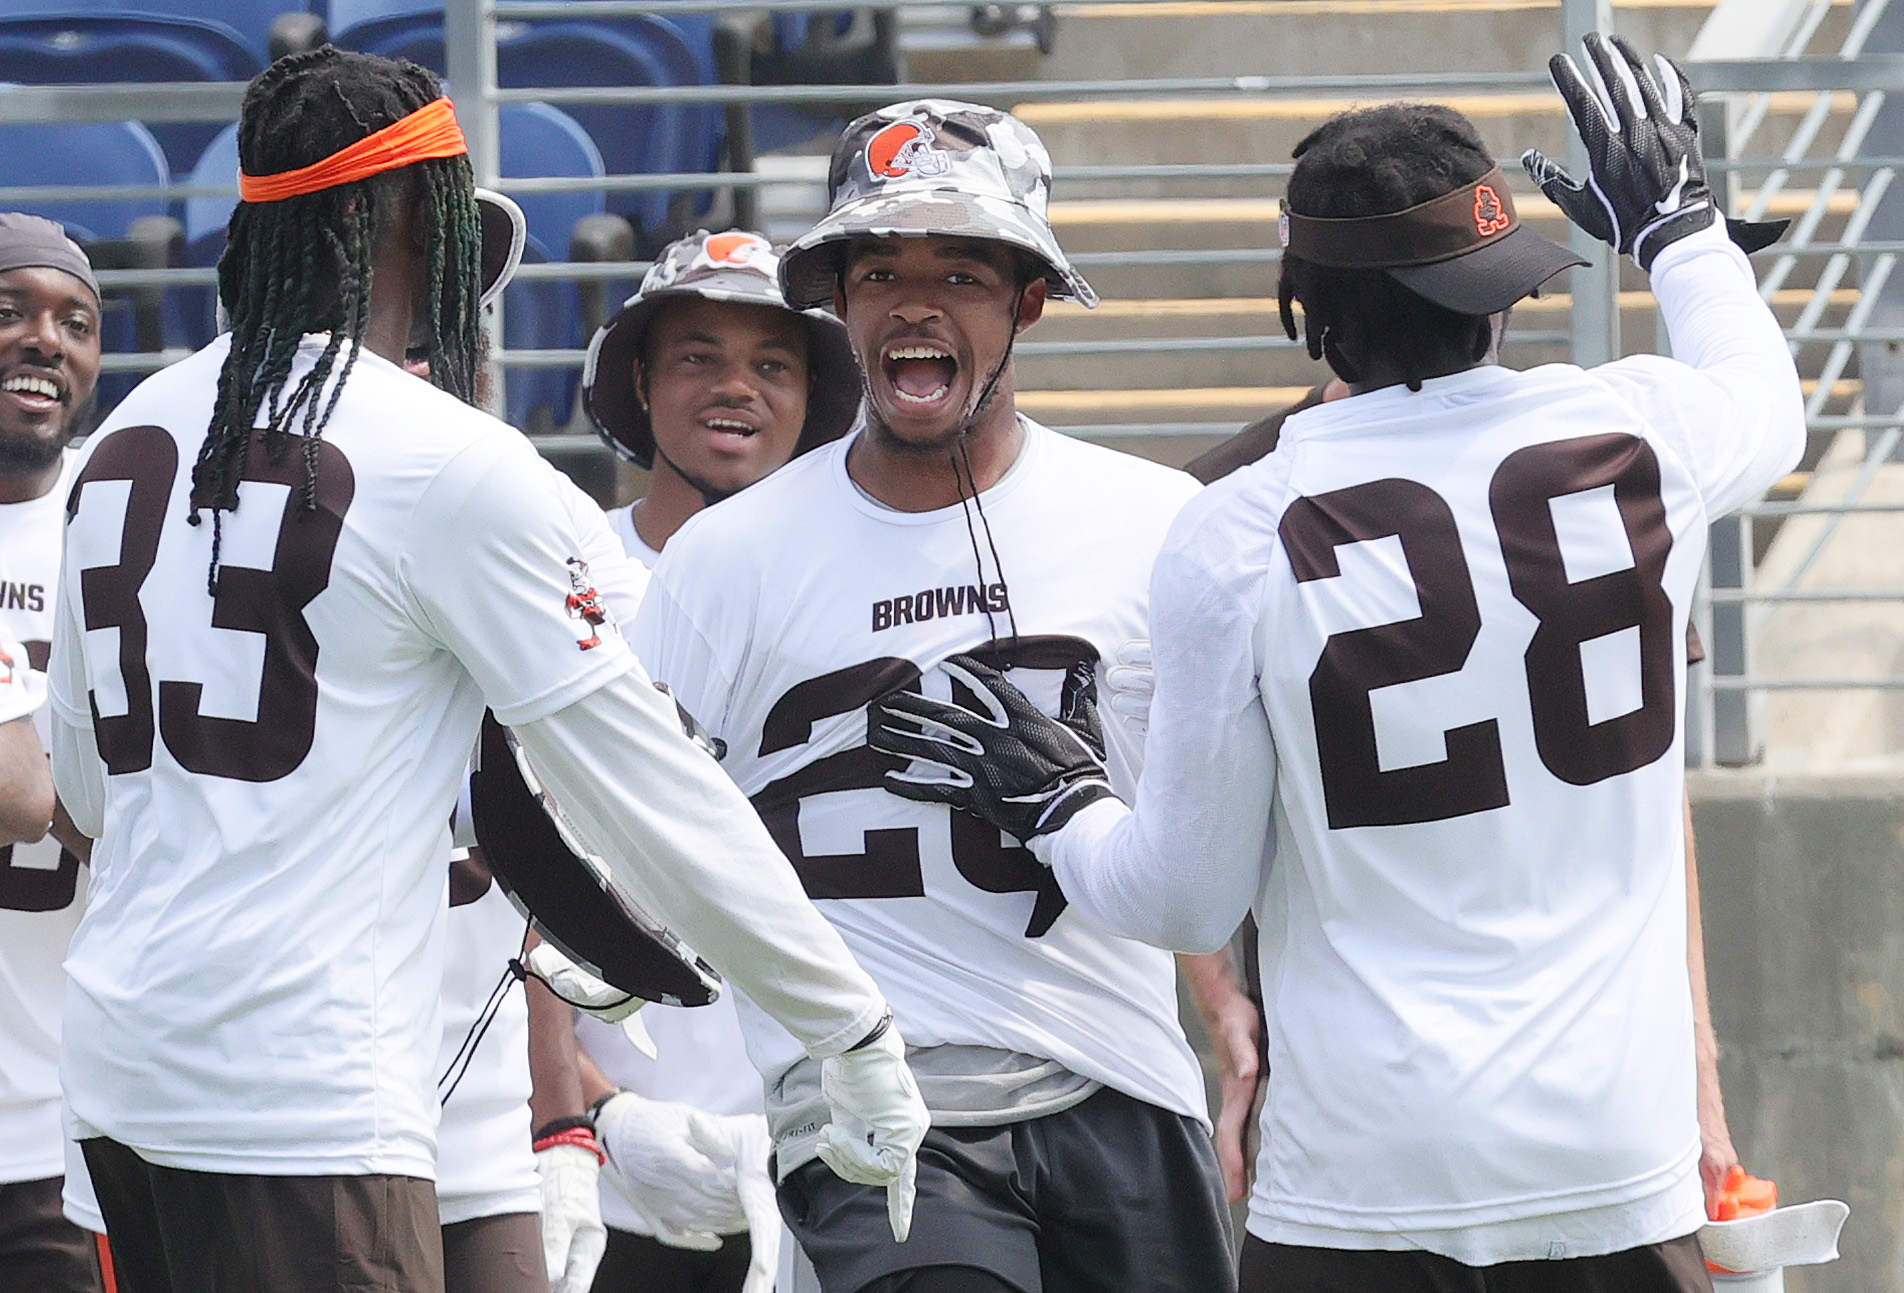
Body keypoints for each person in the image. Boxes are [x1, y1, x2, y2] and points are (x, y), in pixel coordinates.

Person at [864, 40, 1804, 1291]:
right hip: (1614, 1163)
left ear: (1304, 310)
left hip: (1365, 1179)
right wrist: (1676, 227)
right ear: (1500, 292)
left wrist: (1059, 803)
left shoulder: (1240, 527)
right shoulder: (1643, 431)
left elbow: (1186, 902)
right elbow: (1764, 390)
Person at [45, 47, 926, 1293]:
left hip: (118, 1081)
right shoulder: (448, 460)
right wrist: (849, 1023)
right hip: (302, 1096)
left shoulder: (122, 439)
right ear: (411, 215)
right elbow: (646, 779)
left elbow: (83, 796)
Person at [634, 100, 1236, 1293]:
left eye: (960, 271)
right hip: (870, 1104)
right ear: (839, 303)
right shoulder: (729, 557)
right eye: (879, 272)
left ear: (1026, 301)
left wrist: (1243, 1019)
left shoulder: (1156, 522)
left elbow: (1207, 823)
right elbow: (617, 813)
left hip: (1118, 1079)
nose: (915, 303)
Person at [575, 227, 860, 1293]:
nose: (735, 387)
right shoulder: (555, 570)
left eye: (772, 363)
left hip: (846, 1145)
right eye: (699, 355)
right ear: (641, 379)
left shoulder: (866, 588)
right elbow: (496, 880)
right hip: (615, 1157)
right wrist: (585, 1107)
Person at [0, 212, 106, 1293]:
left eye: (74, 322)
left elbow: (37, 798)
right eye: (10, 312)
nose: (46, 339)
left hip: (60, 1131)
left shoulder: (129, 524)